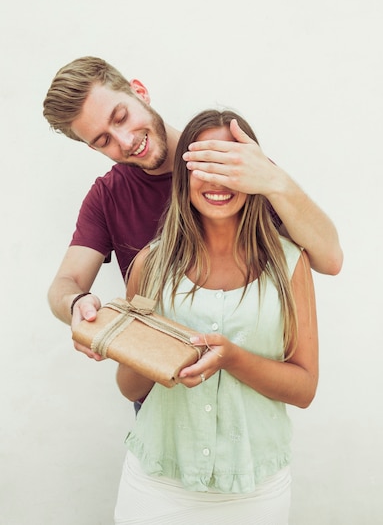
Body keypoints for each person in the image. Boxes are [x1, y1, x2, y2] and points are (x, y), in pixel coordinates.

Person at [43, 56, 342, 361]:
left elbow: (329, 259)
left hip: (249, 386)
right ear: (93, 147)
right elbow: (65, 284)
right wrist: (75, 303)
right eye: (104, 140)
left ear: (139, 92)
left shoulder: (227, 156)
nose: (126, 140)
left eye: (121, 117)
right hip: (160, 390)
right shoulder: (108, 195)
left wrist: (276, 181)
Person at [114, 109, 319, 524]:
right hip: (158, 484)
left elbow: (304, 388)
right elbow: (128, 386)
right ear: (183, 177)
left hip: (254, 488)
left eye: (229, 164)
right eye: (202, 165)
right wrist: (145, 349)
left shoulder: (289, 264)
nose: (216, 180)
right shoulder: (149, 266)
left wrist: (233, 359)